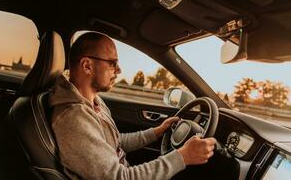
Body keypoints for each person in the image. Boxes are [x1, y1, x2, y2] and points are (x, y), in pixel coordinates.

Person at [49, 31, 216, 180]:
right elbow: (120, 177)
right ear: (87, 65)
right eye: (112, 63)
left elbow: (115, 142)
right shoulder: (73, 118)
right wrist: (183, 157)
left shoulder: (94, 102)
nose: (119, 70)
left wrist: (156, 132)